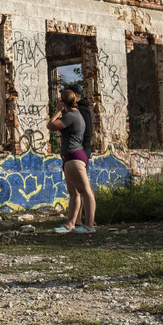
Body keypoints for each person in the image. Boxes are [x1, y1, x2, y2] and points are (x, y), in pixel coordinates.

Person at [48, 88, 96, 233]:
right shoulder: (73, 115)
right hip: (71, 157)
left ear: (63, 102)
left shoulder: (72, 116)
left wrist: (59, 111)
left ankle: (89, 226)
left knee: (85, 191)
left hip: (75, 157)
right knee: (74, 193)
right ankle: (70, 224)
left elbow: (50, 125)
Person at [64, 83, 93, 229]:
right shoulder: (81, 111)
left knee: (84, 189)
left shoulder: (80, 112)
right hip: (80, 151)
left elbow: (52, 125)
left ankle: (86, 222)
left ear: (74, 95)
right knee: (78, 189)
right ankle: (78, 221)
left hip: (80, 152)